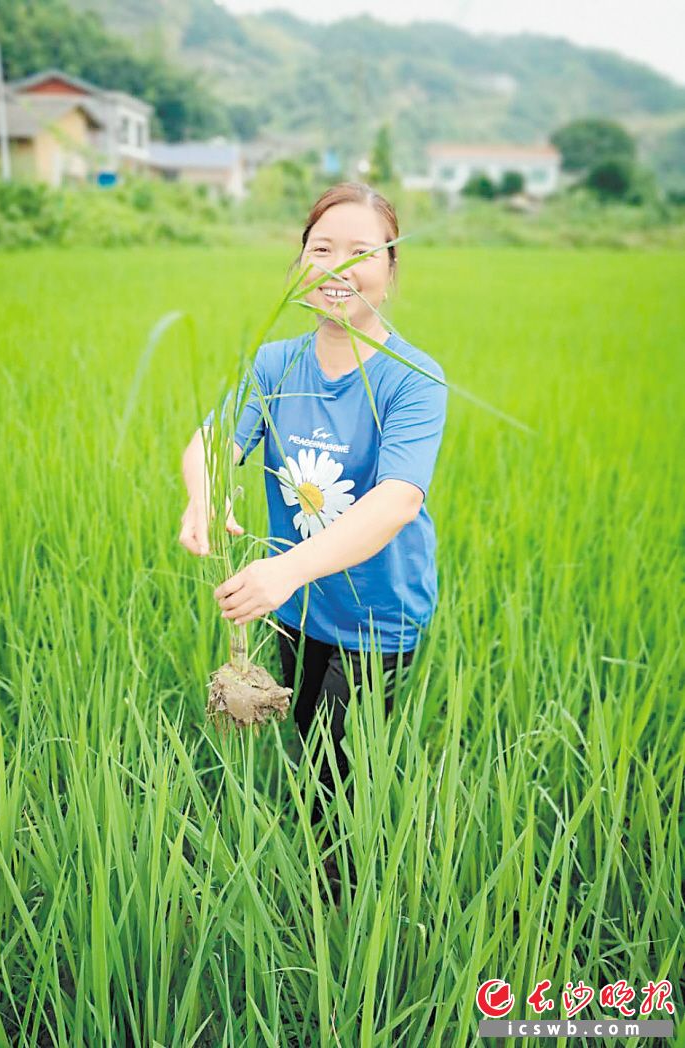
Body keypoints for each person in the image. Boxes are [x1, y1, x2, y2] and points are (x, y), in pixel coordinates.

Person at [180, 181, 447, 894]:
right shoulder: (275, 363)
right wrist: (201, 498)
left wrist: (286, 569)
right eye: (321, 248)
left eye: (363, 252)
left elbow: (395, 501)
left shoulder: (412, 378)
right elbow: (210, 440)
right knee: (310, 734)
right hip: (296, 606)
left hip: (379, 611)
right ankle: (325, 854)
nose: (338, 265)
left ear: (390, 274)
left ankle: (343, 895)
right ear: (300, 264)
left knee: (339, 761)